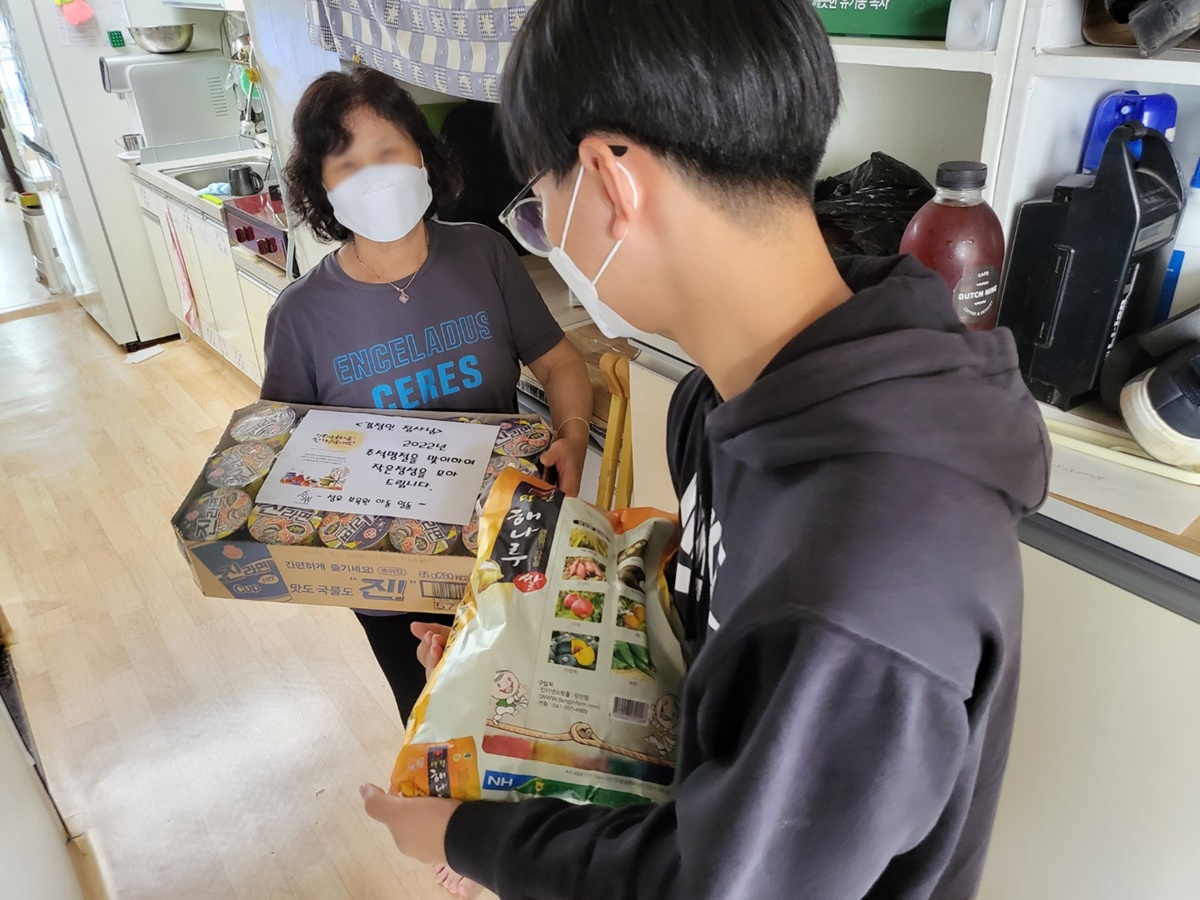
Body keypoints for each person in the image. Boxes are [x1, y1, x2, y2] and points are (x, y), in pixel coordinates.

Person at [360, 1, 1051, 897]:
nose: (547, 235)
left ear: (612, 181)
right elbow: (707, 688)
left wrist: (474, 839)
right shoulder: (726, 399)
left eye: (540, 206)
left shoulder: (875, 568)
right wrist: (508, 676)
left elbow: (720, 883)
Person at [260, 68, 593, 726]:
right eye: (347, 162)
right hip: (389, 583)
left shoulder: (484, 254)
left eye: (387, 150)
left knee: (529, 712)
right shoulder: (300, 316)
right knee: (437, 723)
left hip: (504, 544)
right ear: (321, 186)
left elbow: (560, 362)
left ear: (422, 153)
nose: (374, 176)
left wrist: (573, 434)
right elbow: (284, 461)